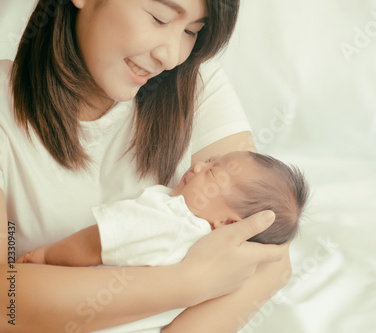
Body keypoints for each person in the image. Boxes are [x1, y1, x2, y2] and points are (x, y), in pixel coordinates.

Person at [0, 1, 292, 332]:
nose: (170, 56)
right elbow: (4, 302)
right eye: (159, 18)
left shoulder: (194, 83)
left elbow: (269, 257)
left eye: (190, 31)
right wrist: (188, 282)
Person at [16, 150, 308, 330]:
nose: (197, 167)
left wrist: (46, 256)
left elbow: (96, 243)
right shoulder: (230, 266)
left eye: (212, 173)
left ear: (229, 223)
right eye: (209, 161)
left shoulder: (172, 218)